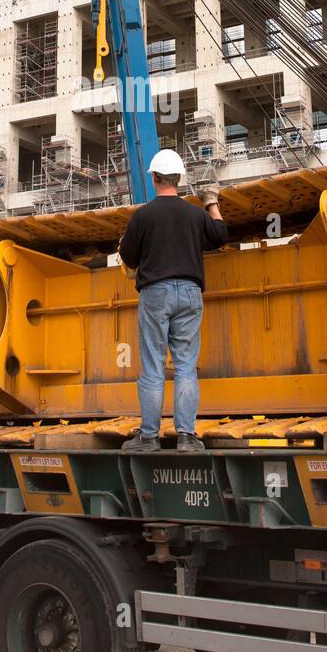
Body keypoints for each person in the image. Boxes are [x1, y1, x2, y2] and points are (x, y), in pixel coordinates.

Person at [118, 149, 228, 454]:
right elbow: (220, 234)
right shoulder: (195, 214)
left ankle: (150, 438)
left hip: (156, 294)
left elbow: (128, 257)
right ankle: (187, 438)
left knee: (153, 366)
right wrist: (211, 202)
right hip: (191, 293)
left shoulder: (143, 216)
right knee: (185, 367)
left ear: (153, 178)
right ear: (178, 179)